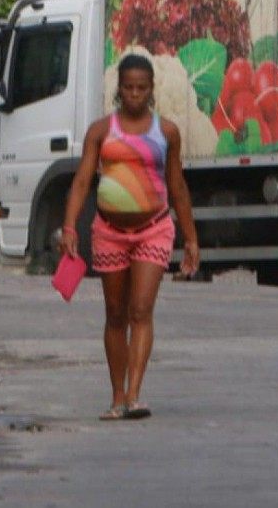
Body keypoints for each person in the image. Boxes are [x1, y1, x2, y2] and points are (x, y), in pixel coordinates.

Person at [60, 53, 200, 421]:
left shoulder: (166, 132)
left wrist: (191, 239)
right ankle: (117, 395)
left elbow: (178, 188)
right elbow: (81, 182)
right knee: (115, 314)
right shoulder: (101, 131)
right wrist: (70, 226)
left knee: (141, 310)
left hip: (153, 229)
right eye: (128, 87)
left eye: (142, 88)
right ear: (118, 90)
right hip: (108, 232)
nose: (135, 94)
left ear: (151, 90)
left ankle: (135, 395)